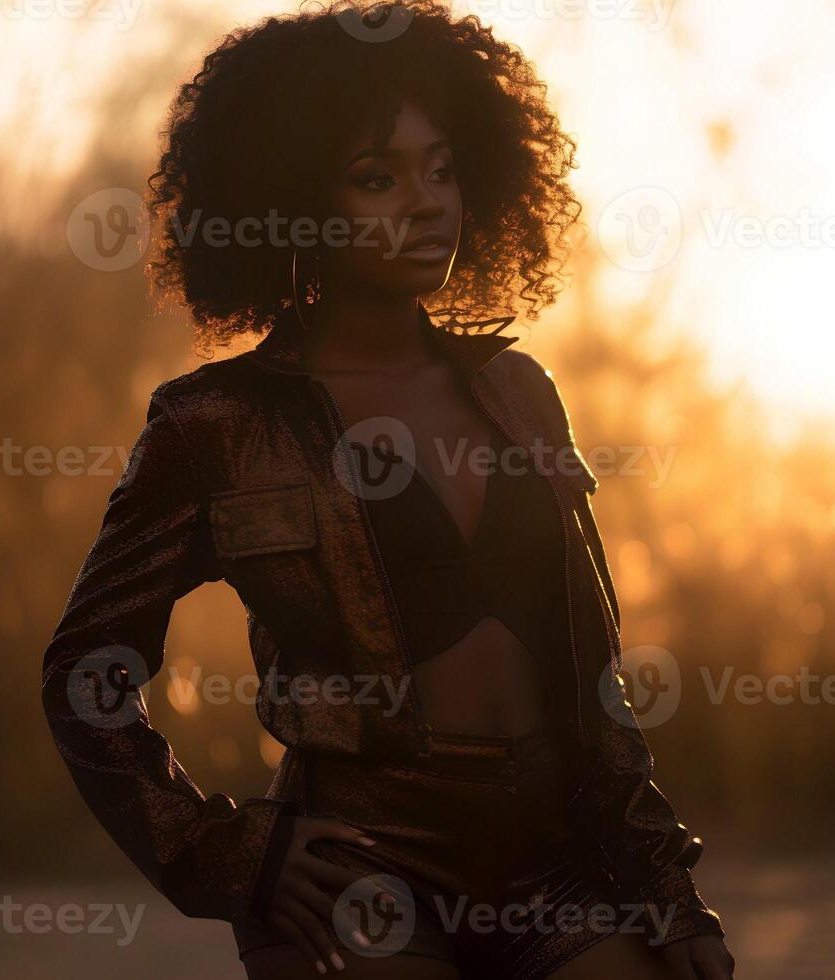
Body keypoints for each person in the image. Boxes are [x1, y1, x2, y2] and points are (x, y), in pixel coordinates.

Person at [41, 3, 735, 978]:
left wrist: (664, 884)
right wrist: (232, 853)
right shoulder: (215, 424)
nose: (426, 203)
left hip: (558, 857)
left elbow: (592, 678)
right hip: (360, 866)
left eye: (442, 168)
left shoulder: (516, 391)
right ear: (288, 201)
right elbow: (86, 676)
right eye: (376, 178)